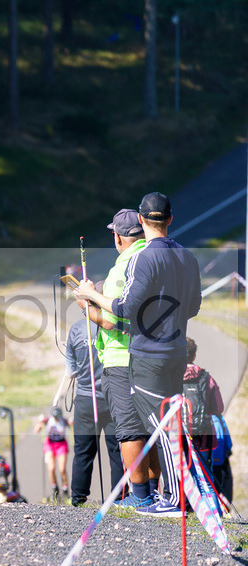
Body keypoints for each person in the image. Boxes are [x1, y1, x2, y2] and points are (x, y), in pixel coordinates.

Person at [76, 192, 202, 517]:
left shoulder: (142, 259)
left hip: (149, 354)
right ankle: (172, 496)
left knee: (158, 426)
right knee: (165, 421)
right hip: (177, 351)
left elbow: (124, 309)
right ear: (170, 219)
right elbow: (193, 307)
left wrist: (90, 295)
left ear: (143, 220)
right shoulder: (188, 256)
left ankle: (173, 498)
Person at [77, 209, 153, 509]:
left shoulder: (123, 267)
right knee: (149, 427)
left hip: (122, 358)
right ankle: (155, 494)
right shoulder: (153, 258)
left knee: (130, 430)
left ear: (118, 236)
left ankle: (141, 497)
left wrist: (87, 302)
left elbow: (110, 321)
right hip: (151, 355)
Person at [65, 315, 122, 506]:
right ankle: (119, 498)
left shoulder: (77, 328)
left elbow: (70, 370)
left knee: (83, 451)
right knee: (117, 450)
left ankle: (78, 498)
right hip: (114, 397)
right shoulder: (115, 324)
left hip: (86, 399)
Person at [183, 337, 224, 483]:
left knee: (182, 480)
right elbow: (218, 408)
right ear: (194, 356)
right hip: (204, 437)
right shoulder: (206, 378)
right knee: (205, 479)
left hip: (179, 438)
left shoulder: (171, 377)